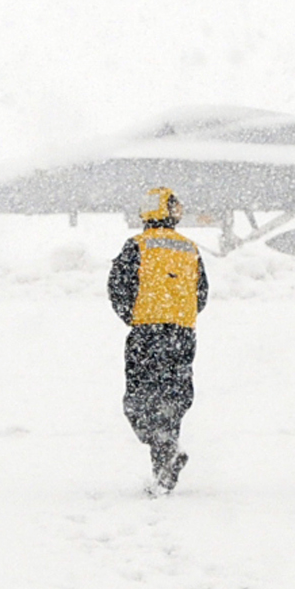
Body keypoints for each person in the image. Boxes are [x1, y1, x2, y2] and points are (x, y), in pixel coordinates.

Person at [108, 187, 208, 492]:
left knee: (139, 400)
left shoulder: (136, 246)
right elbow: (201, 294)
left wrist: (134, 316)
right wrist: (179, 316)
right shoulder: (190, 249)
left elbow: (117, 287)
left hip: (146, 334)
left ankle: (163, 450)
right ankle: (165, 464)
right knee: (172, 400)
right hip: (182, 335)